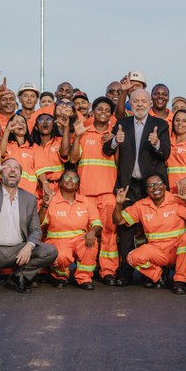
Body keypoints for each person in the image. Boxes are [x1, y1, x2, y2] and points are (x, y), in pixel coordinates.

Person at [103, 88, 171, 286]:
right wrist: (115, 141)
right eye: (136, 101)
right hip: (128, 186)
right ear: (130, 105)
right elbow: (107, 149)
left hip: (151, 187)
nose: (140, 104)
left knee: (152, 228)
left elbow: (165, 153)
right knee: (125, 229)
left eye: (143, 101)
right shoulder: (122, 124)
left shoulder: (160, 125)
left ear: (150, 104)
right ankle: (125, 273)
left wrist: (156, 144)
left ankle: (153, 274)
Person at [0, 158, 57, 296]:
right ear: (0, 173)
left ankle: (19, 275)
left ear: (20, 175)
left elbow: (35, 229)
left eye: (16, 168)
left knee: (50, 251)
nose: (12, 170)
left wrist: (29, 246)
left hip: (18, 251)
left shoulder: (29, 198)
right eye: (8, 167)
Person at [114, 174, 186, 294]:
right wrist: (119, 204)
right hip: (156, 252)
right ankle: (158, 276)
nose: (155, 188)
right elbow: (118, 220)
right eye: (150, 186)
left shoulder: (176, 200)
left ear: (165, 186)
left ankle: (180, 281)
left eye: (159, 184)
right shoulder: (141, 205)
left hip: (177, 250)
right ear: (147, 191)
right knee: (132, 258)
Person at [70, 97, 119, 285]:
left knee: (109, 234)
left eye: (107, 110)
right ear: (93, 110)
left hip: (108, 193)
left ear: (111, 114)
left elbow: (120, 162)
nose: (103, 112)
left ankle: (108, 271)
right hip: (86, 193)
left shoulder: (114, 134)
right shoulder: (84, 131)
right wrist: (77, 136)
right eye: (100, 109)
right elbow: (73, 159)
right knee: (86, 235)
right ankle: (85, 274)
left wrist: (115, 141)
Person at [39, 170, 102, 290]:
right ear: (60, 183)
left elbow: (97, 223)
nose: (70, 180)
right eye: (67, 177)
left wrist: (93, 231)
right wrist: (45, 205)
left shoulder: (85, 201)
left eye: (74, 179)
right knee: (61, 256)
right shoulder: (51, 200)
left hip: (80, 239)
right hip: (57, 241)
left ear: (77, 186)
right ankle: (60, 276)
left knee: (91, 243)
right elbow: (38, 223)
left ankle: (84, 278)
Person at [0, 114, 37, 194]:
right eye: (16, 122)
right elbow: (0, 153)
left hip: (28, 192)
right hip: (6, 191)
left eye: (23, 122)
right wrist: (7, 130)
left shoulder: (34, 147)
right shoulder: (6, 145)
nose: (20, 124)